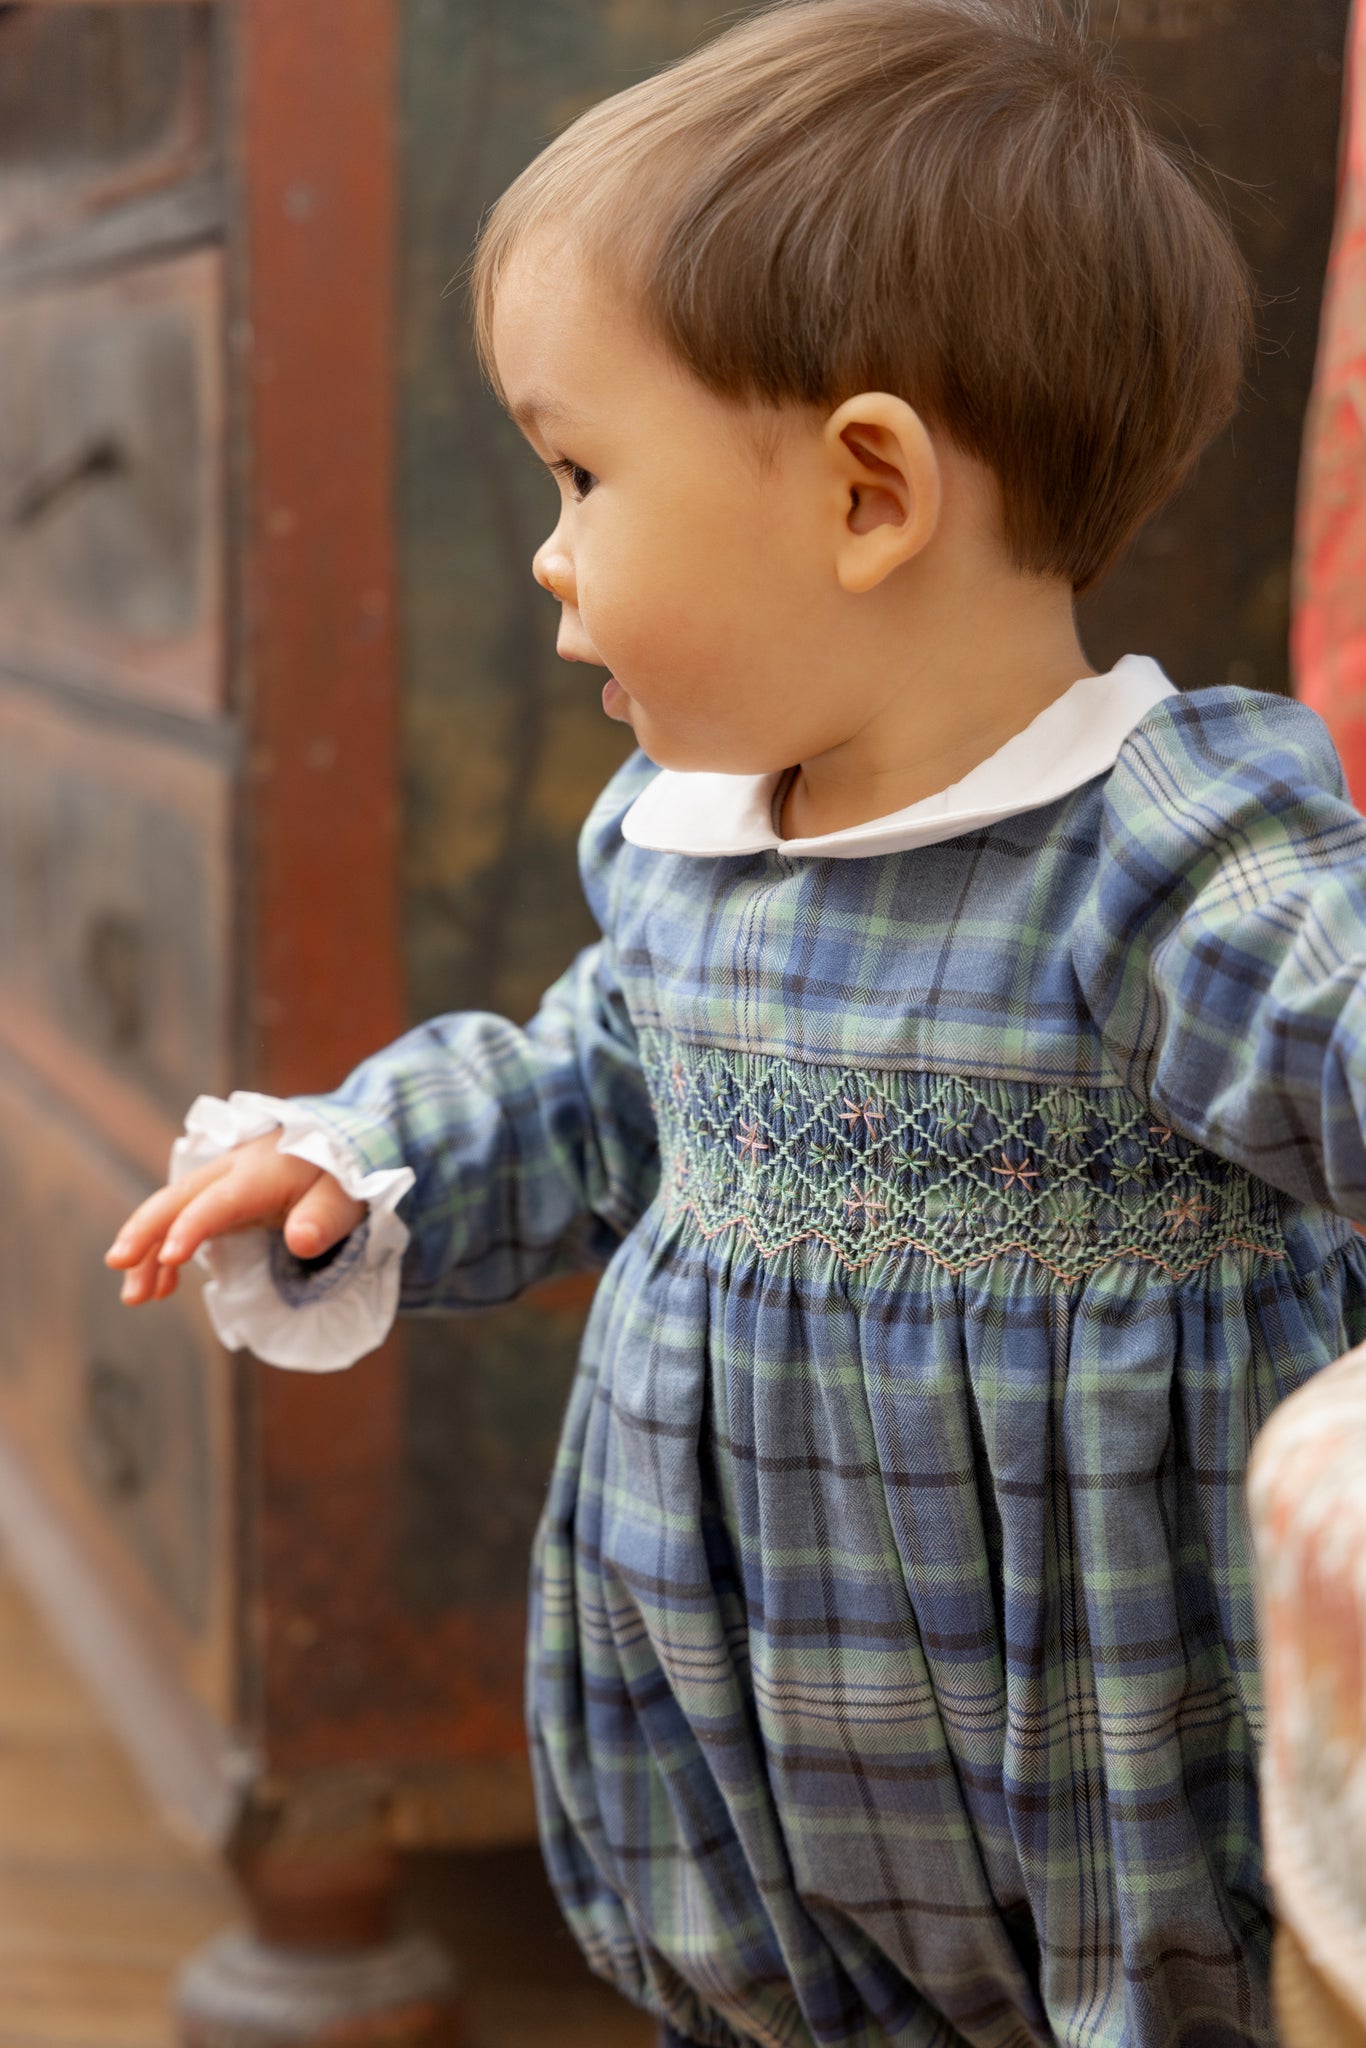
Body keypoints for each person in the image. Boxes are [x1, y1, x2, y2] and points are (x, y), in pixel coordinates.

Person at [102, 1, 1356, 2040]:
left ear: (869, 492)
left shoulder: (1166, 874)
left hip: (1092, 1780)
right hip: (743, 1738)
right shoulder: (690, 846)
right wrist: (359, 1154)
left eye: (583, 470)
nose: (544, 545)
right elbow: (599, 1081)